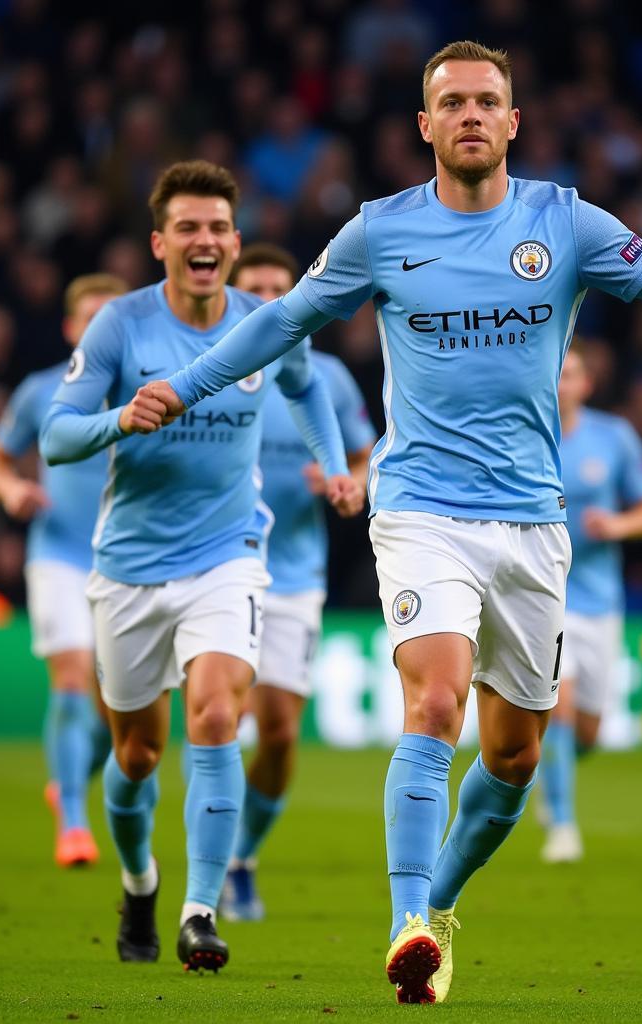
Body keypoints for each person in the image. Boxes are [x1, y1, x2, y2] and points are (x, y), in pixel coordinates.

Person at [135, 42, 642, 1003]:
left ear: (512, 121)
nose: (468, 115)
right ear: (424, 126)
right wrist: (187, 382)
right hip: (419, 510)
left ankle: (442, 905)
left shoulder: (564, 223)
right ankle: (407, 917)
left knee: (513, 756)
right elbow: (281, 321)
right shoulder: (378, 232)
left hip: (532, 523)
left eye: (486, 101)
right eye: (449, 102)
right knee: (434, 704)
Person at [39, 161, 362, 973]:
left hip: (229, 558)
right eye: (188, 227)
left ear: (235, 239)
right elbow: (56, 438)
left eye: (218, 226)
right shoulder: (120, 326)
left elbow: (309, 385)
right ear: (160, 243)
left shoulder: (264, 322)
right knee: (137, 755)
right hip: (129, 569)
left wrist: (333, 463)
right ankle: (140, 879)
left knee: (218, 718)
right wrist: (119, 417)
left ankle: (198, 911)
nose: (205, 240)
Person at [219, 243, 376, 921]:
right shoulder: (214, 369)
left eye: (278, 289)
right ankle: (203, 865)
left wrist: (348, 485)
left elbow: (367, 458)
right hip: (218, 565)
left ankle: (242, 858)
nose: (266, 298)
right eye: (253, 287)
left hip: (296, 574)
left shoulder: (329, 378)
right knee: (223, 713)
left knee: (280, 730)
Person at [0, 272, 127, 869]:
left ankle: (68, 779)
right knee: (69, 678)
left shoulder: (151, 390)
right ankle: (72, 821)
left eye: (109, 317)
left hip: (129, 560)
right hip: (60, 553)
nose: (97, 328)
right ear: (70, 328)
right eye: (88, 317)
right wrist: (11, 487)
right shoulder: (42, 391)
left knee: (117, 712)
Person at [539, 341, 642, 864]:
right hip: (541, 595)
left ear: (587, 384)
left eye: (571, 374)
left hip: (599, 602)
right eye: (556, 372)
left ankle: (557, 770)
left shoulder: (613, 438)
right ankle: (563, 825)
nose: (562, 382)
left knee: (586, 730)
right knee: (559, 708)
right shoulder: (522, 434)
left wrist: (617, 525)